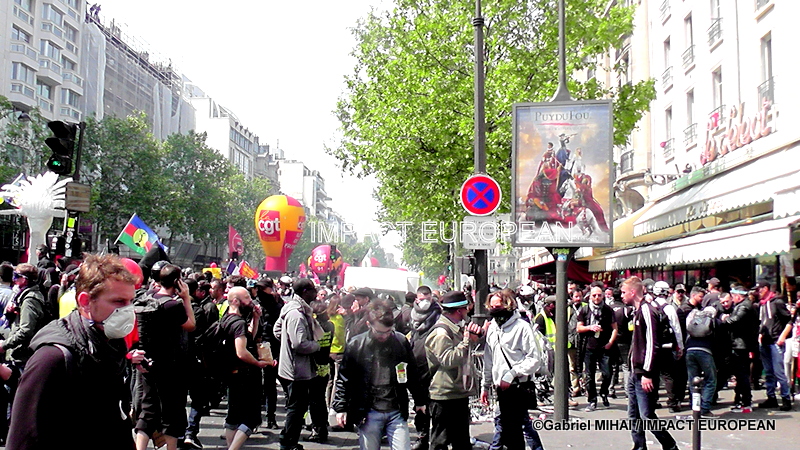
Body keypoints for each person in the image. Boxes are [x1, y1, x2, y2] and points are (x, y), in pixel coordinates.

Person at [6, 253, 143, 450]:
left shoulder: (109, 346)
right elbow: (23, 439)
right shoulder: (52, 358)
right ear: (86, 301)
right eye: (119, 301)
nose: (129, 310)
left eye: (131, 301)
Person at [333, 299, 427, 450]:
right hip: (368, 411)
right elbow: (344, 379)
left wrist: (420, 400)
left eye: (388, 331)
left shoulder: (400, 342)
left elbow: (412, 373)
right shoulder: (356, 345)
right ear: (369, 325)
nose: (384, 336)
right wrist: (340, 408)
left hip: (396, 409)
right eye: (380, 332)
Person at [133, 264, 196, 450]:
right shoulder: (172, 305)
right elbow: (191, 325)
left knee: (148, 410)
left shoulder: (145, 299)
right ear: (178, 282)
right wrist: (186, 298)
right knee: (172, 412)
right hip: (170, 364)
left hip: (147, 361)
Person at [481, 290, 544, 450]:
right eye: (492, 306)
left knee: (515, 431)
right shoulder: (492, 328)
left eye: (498, 306)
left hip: (517, 387)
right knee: (507, 429)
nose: (494, 309)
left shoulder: (522, 327)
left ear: (508, 305)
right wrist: (485, 386)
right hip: (500, 389)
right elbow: (489, 360)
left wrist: (512, 373)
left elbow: (534, 358)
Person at [622, 276, 678, 450]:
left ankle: (669, 445)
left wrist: (647, 372)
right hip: (635, 370)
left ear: (633, 292)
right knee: (633, 413)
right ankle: (639, 445)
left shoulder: (647, 310)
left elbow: (653, 342)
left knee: (647, 414)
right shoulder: (637, 310)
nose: (621, 295)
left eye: (624, 292)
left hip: (644, 372)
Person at [425, 291, 483, 450]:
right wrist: (466, 342)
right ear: (459, 311)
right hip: (444, 395)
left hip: (457, 393)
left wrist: (478, 334)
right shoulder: (442, 332)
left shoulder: (456, 327)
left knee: (461, 441)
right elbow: (449, 360)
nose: (468, 312)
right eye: (466, 309)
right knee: (440, 442)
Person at [275, 278, 322, 450]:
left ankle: (290, 440)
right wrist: (316, 345)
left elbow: (278, 330)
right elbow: (300, 344)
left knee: (297, 406)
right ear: (304, 292)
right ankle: (288, 442)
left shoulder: (294, 309)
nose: (315, 293)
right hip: (296, 370)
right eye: (312, 290)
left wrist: (286, 343)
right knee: (296, 408)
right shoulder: (296, 314)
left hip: (294, 367)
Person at [222, 287, 270, 450]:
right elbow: (241, 351)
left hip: (232, 372)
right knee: (252, 418)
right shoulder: (239, 323)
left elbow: (248, 336)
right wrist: (257, 363)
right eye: (247, 298)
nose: (251, 302)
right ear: (235, 301)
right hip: (245, 375)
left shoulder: (227, 318)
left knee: (233, 416)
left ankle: (231, 447)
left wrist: (256, 319)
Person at [183, 279, 219, 449]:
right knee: (197, 399)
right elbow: (203, 336)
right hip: (194, 359)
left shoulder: (173, 308)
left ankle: (184, 432)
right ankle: (189, 432)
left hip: (183, 360)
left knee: (184, 398)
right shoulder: (197, 310)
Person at [407, 286, 442, 450]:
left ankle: (436, 440)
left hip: (435, 367)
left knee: (435, 405)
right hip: (417, 366)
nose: (424, 301)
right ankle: (422, 436)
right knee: (420, 404)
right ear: (416, 299)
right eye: (421, 298)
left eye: (427, 297)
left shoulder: (439, 315)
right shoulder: (409, 315)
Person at [576, 286, 618, 411]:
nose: (596, 298)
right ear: (590, 296)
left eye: (599, 295)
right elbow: (579, 328)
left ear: (603, 296)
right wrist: (590, 327)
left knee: (607, 373)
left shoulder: (608, 310)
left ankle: (604, 392)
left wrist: (610, 342)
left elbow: (615, 328)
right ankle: (592, 400)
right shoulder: (585, 310)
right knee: (589, 375)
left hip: (604, 346)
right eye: (594, 295)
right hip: (589, 346)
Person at [755, 280, 793, 411]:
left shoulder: (777, 302)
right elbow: (764, 322)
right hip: (765, 341)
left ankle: (786, 398)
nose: (757, 292)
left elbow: (789, 321)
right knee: (769, 372)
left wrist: (782, 337)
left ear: (765, 289)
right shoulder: (762, 304)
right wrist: (760, 333)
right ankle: (771, 397)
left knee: (779, 372)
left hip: (775, 340)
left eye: (759, 289)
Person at [723, 285, 758, 413]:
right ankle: (740, 401)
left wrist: (724, 320)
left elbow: (735, 320)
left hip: (741, 345)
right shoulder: (745, 305)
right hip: (740, 344)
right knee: (740, 375)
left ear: (738, 296)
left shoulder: (744, 306)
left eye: (733, 296)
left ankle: (745, 402)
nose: (732, 299)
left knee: (742, 375)